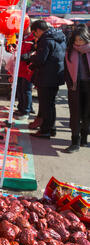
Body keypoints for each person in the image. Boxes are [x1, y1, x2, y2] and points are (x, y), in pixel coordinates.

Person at [28, 20, 66, 138]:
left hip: (46, 76)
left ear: (38, 30)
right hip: (56, 75)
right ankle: (51, 128)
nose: (35, 36)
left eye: (34, 33)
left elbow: (41, 59)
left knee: (46, 105)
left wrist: (30, 58)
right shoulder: (60, 37)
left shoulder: (46, 40)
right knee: (50, 104)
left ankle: (45, 131)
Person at [63, 25, 90, 153]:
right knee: (75, 114)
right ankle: (75, 142)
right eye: (76, 40)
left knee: (87, 114)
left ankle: (84, 139)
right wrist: (70, 85)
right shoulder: (70, 51)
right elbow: (66, 72)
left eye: (81, 39)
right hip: (75, 87)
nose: (78, 42)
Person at [13, 29, 36, 120]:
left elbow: (33, 52)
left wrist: (24, 57)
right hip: (19, 67)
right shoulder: (20, 37)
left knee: (26, 90)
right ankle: (21, 108)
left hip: (28, 68)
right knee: (19, 89)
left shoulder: (33, 38)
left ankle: (26, 111)